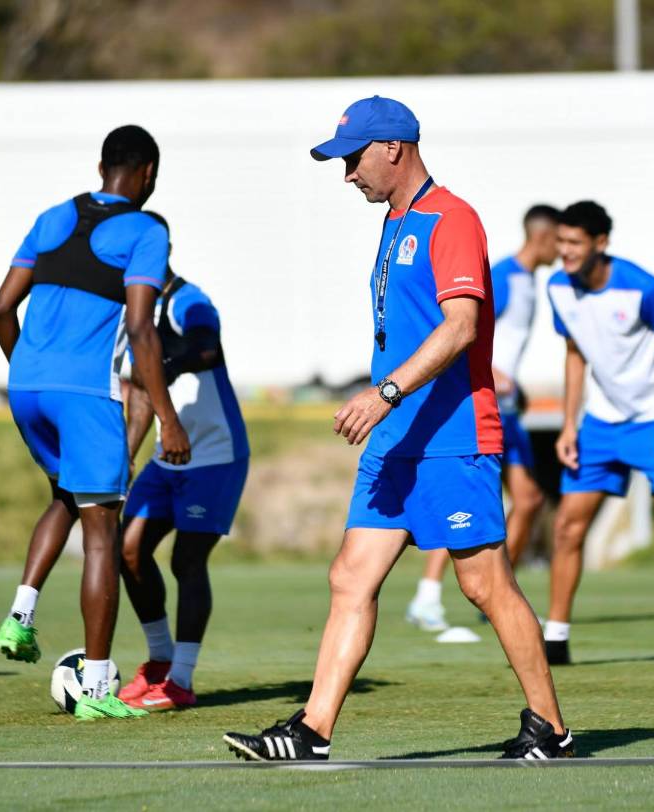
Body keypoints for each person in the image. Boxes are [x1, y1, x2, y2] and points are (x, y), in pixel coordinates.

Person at [223, 96, 573, 761]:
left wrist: (384, 393)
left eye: (352, 159)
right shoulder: (394, 222)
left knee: (483, 585)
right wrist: (385, 406)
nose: (347, 173)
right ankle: (312, 732)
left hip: (452, 436)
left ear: (393, 149)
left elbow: (461, 327)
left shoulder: (454, 219)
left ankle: (550, 728)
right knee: (350, 578)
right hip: (396, 442)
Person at [0, 125, 190, 720]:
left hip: (25, 385)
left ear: (102, 165)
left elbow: (2, 309)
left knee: (64, 496)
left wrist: (32, 371)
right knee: (101, 530)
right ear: (148, 172)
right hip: (84, 394)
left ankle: (21, 614)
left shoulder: (51, 216)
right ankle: (98, 691)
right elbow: (140, 328)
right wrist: (169, 421)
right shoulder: (148, 231)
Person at [543, 201, 654, 671]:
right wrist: (569, 424)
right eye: (561, 242)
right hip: (599, 425)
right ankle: (555, 640)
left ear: (601, 244)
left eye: (575, 243)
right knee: (567, 528)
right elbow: (575, 354)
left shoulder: (642, 289)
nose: (565, 252)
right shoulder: (557, 288)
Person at [404, 204, 559, 632]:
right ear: (542, 238)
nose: (563, 249)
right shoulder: (505, 278)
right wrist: (496, 375)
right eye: (559, 240)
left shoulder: (531, 283)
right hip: (479, 404)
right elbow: (461, 329)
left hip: (508, 408)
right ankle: (428, 598)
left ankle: (497, 599)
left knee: (528, 501)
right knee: (461, 506)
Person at [117, 219, 250, 711]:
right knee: (128, 551)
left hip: (213, 453)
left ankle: (183, 680)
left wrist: (165, 369)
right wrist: (127, 457)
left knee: (186, 561)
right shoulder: (134, 313)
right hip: (165, 458)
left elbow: (205, 347)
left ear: (164, 249)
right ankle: (158, 662)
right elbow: (140, 395)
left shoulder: (188, 299)